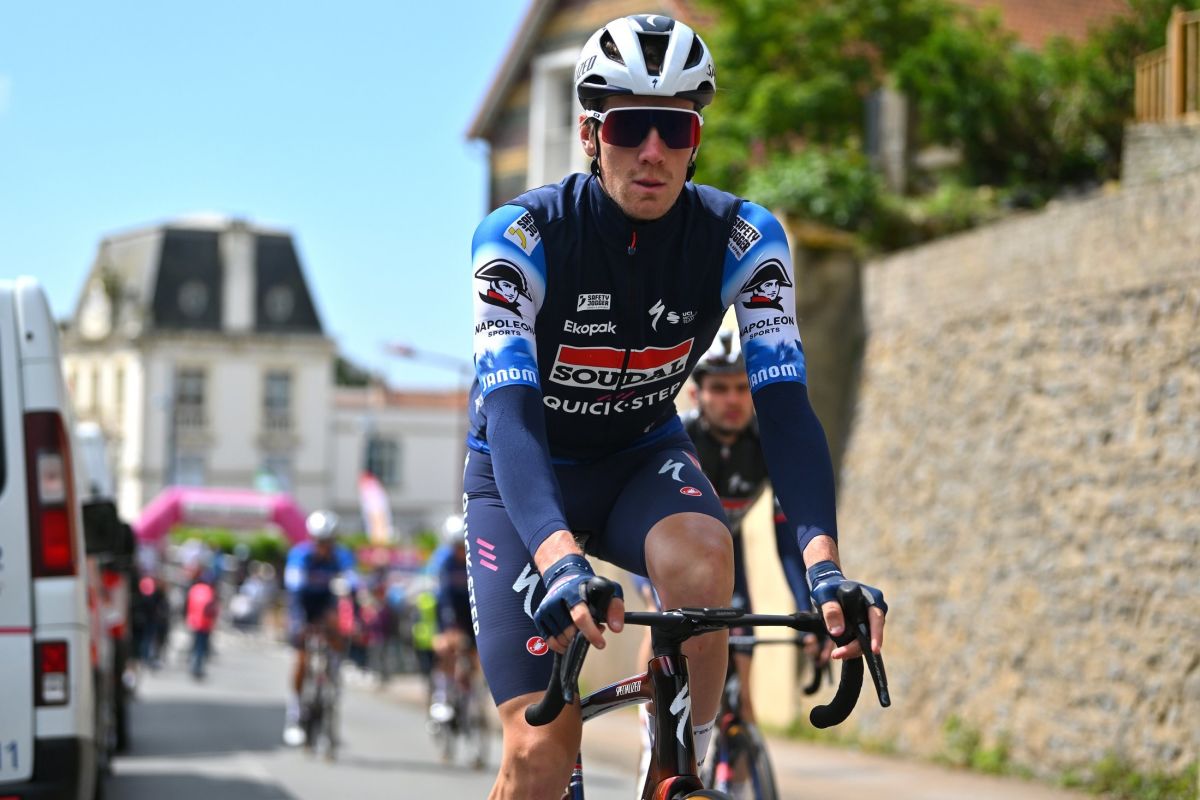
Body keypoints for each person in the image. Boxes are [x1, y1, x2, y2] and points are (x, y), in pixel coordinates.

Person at [464, 15, 887, 799]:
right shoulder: (520, 238)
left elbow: (785, 410)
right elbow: (511, 414)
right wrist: (559, 558)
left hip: (639, 460)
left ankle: (681, 770)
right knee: (541, 754)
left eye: (675, 128)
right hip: (523, 477)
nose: (652, 151)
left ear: (696, 140)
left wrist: (826, 569)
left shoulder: (744, 239)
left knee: (703, 555)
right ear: (591, 135)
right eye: (629, 127)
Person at [632, 331, 832, 780]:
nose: (733, 399)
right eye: (720, 388)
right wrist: (650, 590)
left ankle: (737, 763)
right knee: (660, 619)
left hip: (728, 557)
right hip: (662, 557)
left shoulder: (763, 446)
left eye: (742, 388)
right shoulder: (680, 438)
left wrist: (809, 607)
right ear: (696, 393)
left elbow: (787, 540)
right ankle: (653, 734)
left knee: (740, 669)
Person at [281, 510, 357, 746]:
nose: (324, 546)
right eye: (319, 541)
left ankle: (333, 677)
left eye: (328, 541)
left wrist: (351, 587)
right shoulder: (300, 555)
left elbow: (352, 581)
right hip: (303, 606)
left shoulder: (340, 556)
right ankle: (294, 713)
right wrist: (299, 622)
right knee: (302, 659)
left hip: (326, 607)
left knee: (337, 633)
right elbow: (294, 588)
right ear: (311, 539)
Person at [429, 515, 476, 723]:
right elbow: (445, 597)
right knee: (447, 648)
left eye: (463, 545)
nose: (461, 551)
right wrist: (449, 627)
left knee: (475, 655)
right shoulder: (444, 561)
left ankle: (471, 694)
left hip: (470, 611)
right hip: (449, 611)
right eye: (457, 546)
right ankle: (441, 696)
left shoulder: (476, 557)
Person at [185, 570, 219, 680]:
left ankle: (193, 664)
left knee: (195, 644)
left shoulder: (194, 589)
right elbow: (212, 609)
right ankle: (197, 667)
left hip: (194, 621)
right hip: (205, 623)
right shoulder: (210, 591)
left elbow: (188, 606)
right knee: (201, 646)